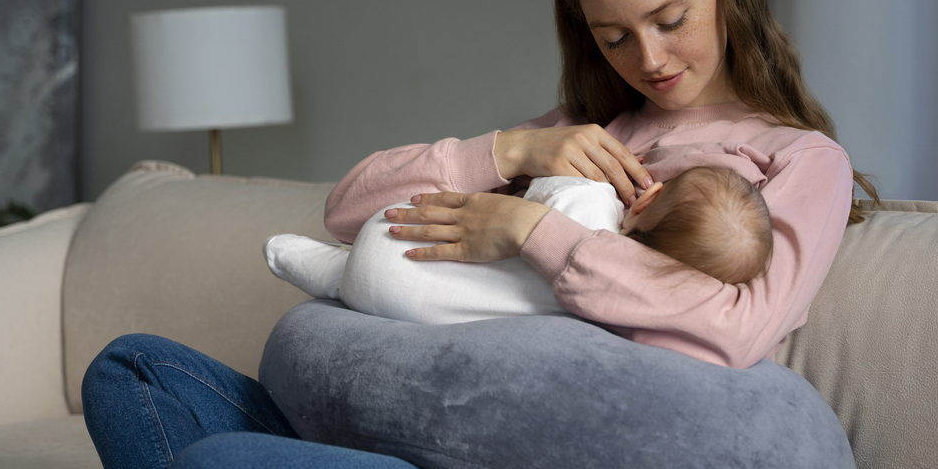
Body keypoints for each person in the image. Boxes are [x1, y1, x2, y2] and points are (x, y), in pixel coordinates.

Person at [82, 0, 877, 469]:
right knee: (131, 372)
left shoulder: (799, 158)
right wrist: (511, 151)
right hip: (416, 416)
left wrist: (533, 229)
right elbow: (346, 210)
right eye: (614, 38)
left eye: (671, 19)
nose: (650, 58)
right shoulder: (586, 128)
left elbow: (740, 327)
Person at [264, 166, 773, 324]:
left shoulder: (590, 197)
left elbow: (531, 195)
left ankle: (333, 271)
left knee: (352, 265)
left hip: (395, 236)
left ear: (649, 197)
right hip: (408, 311)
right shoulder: (614, 309)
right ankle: (340, 278)